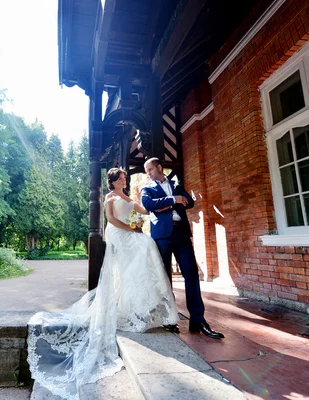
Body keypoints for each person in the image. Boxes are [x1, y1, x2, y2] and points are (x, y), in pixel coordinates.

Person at [27, 168, 178, 400]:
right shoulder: (110, 198)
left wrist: (143, 212)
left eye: (126, 178)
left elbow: (144, 211)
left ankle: (139, 304)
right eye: (122, 178)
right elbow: (112, 219)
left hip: (130, 231)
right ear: (114, 181)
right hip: (118, 233)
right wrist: (131, 227)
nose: (125, 180)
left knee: (146, 244)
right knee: (143, 245)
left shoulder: (128, 197)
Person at [141, 157, 224, 339]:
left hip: (181, 234)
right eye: (146, 171)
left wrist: (168, 201)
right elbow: (148, 205)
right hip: (162, 236)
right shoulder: (147, 188)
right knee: (165, 278)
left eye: (150, 170)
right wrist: (173, 200)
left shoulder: (177, 184)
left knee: (191, 273)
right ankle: (169, 319)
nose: (148, 173)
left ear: (159, 167)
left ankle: (198, 320)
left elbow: (190, 202)